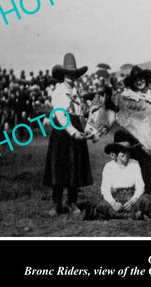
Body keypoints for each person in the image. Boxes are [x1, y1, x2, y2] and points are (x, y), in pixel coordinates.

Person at [43, 53, 93, 216]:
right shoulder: (58, 92)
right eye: (68, 74)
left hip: (76, 127)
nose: (71, 77)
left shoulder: (77, 92)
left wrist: (84, 129)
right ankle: (56, 203)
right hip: (62, 131)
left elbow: (79, 114)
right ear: (63, 75)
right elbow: (61, 115)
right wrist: (73, 132)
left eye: (73, 74)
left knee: (75, 166)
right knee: (59, 166)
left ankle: (72, 202)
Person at [99, 140, 151, 220]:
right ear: (115, 154)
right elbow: (105, 189)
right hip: (116, 200)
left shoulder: (134, 164)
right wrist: (112, 203)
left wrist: (133, 201)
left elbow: (140, 186)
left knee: (147, 200)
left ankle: (118, 215)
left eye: (128, 152)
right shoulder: (109, 166)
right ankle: (133, 215)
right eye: (123, 152)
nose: (126, 155)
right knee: (101, 205)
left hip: (131, 198)